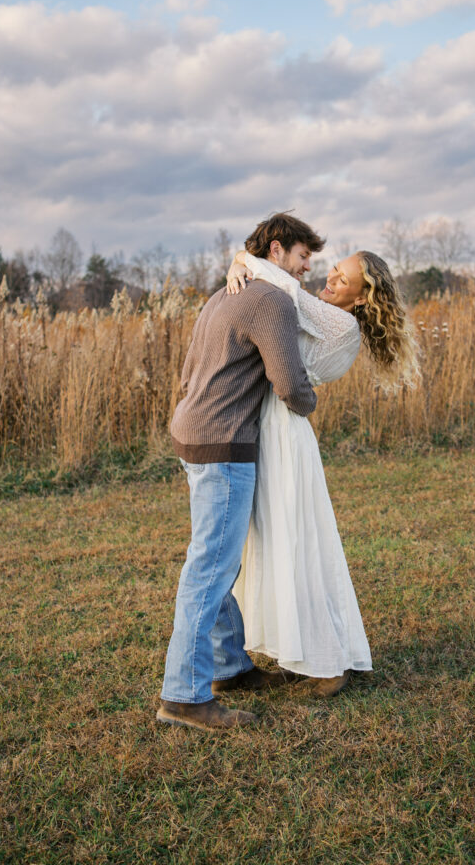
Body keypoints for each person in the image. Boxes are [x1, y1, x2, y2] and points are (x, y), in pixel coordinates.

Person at [227, 243, 419, 696]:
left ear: (361, 298)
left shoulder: (339, 322)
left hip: (282, 432)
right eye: (333, 270)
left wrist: (241, 258)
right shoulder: (332, 320)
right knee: (280, 541)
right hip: (274, 427)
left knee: (296, 544)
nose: (330, 280)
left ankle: (329, 663)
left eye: (343, 280)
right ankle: (302, 650)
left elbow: (288, 292)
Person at [157, 213, 324, 732]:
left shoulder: (226, 292)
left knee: (215, 560)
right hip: (223, 444)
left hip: (193, 430)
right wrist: (311, 398)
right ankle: (183, 696)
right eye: (302, 258)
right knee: (209, 567)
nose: (306, 271)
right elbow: (289, 382)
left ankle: (229, 667)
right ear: (276, 250)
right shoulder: (269, 299)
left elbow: (188, 368)